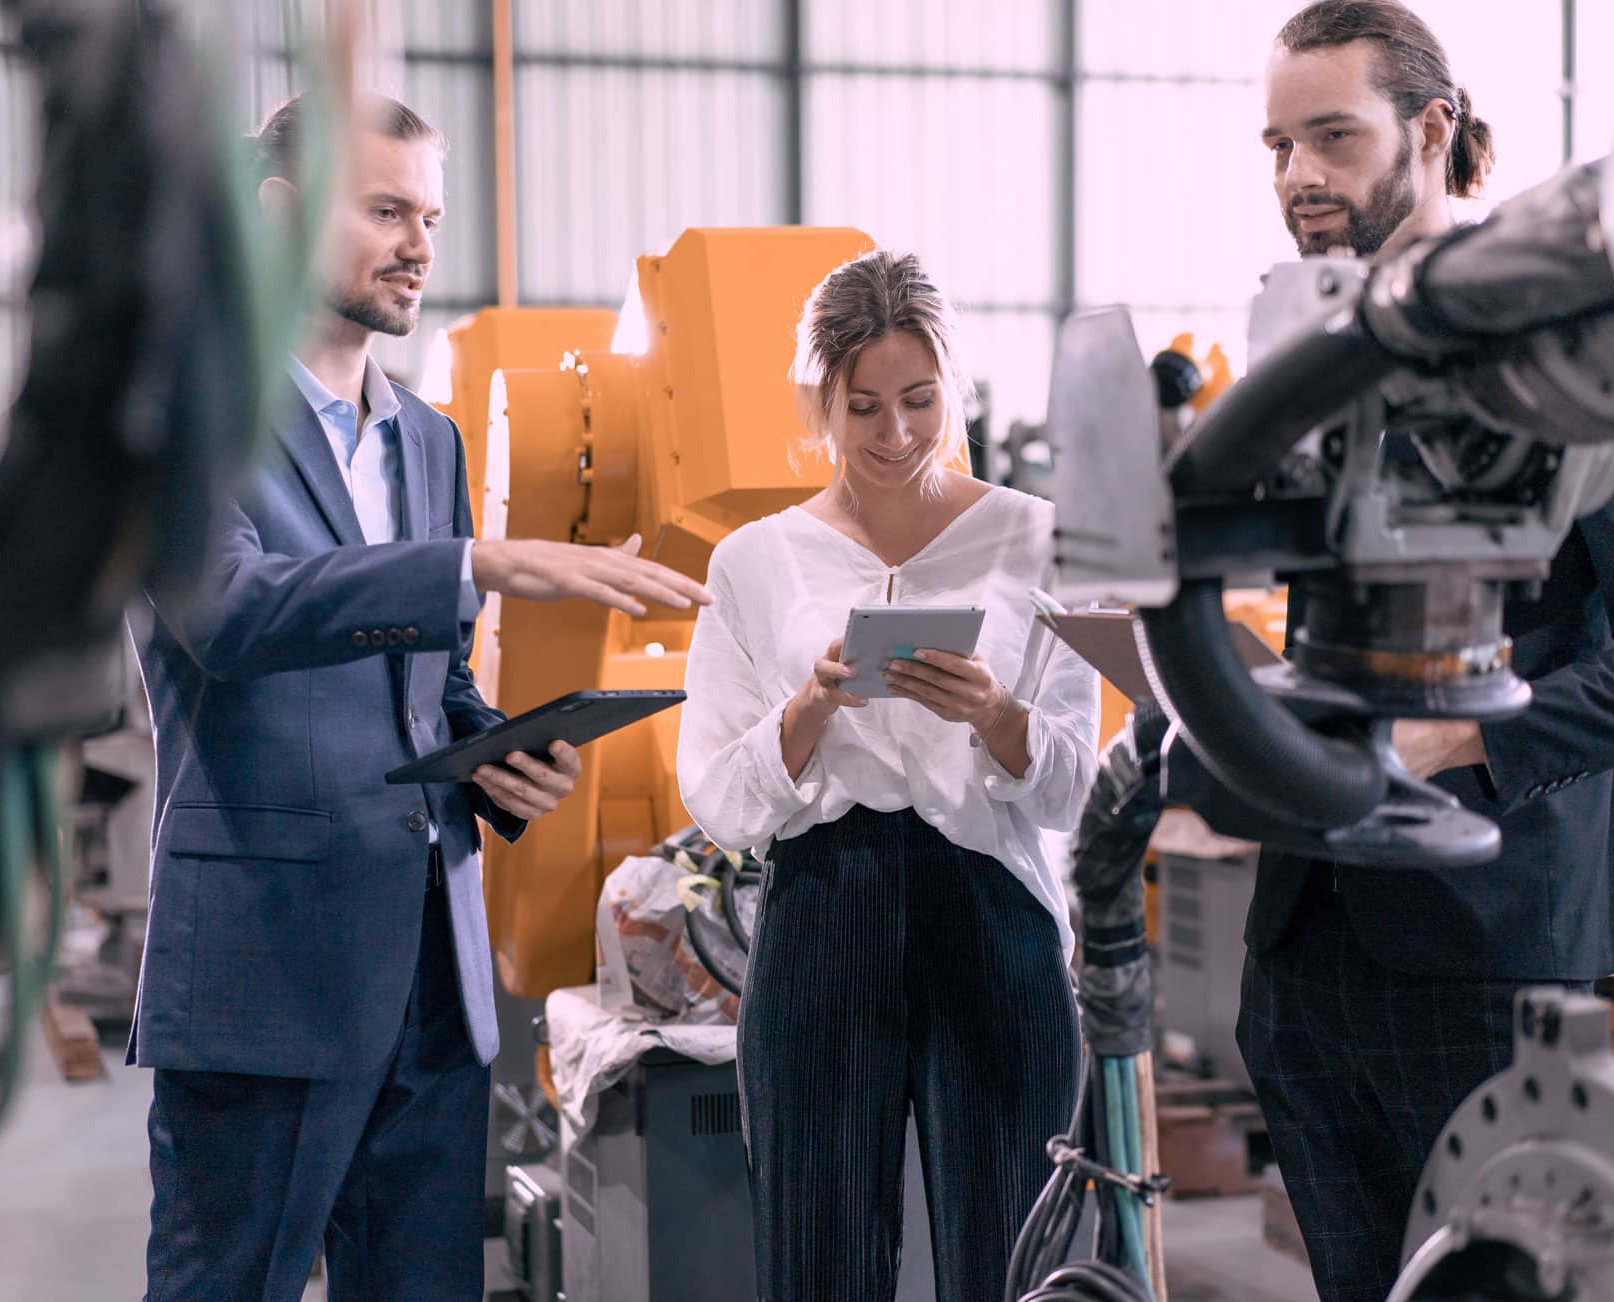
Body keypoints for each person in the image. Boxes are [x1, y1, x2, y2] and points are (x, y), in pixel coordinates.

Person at [128, 93, 711, 1301]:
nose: (419, 245)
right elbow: (235, 616)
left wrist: (497, 754)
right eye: (385, 209)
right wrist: (478, 563)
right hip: (268, 987)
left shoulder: (429, 442)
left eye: (430, 216)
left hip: (431, 999)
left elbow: (429, 688)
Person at [1238, 5, 1614, 1300]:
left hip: (1492, 947)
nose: (1299, 175)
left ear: (1432, 128)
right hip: (1304, 940)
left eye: (1332, 138)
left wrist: (1463, 727)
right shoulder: (1311, 360)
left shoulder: (1571, 361)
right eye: (1278, 144)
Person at [675, 250, 1100, 1300]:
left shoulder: (1036, 540)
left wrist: (999, 719)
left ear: (953, 388)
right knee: (817, 1259)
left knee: (1010, 1257)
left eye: (919, 400)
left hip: (994, 918)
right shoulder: (755, 562)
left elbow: (1077, 789)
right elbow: (718, 794)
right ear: (820, 399)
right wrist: (812, 706)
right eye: (862, 406)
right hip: (824, 916)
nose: (896, 434)